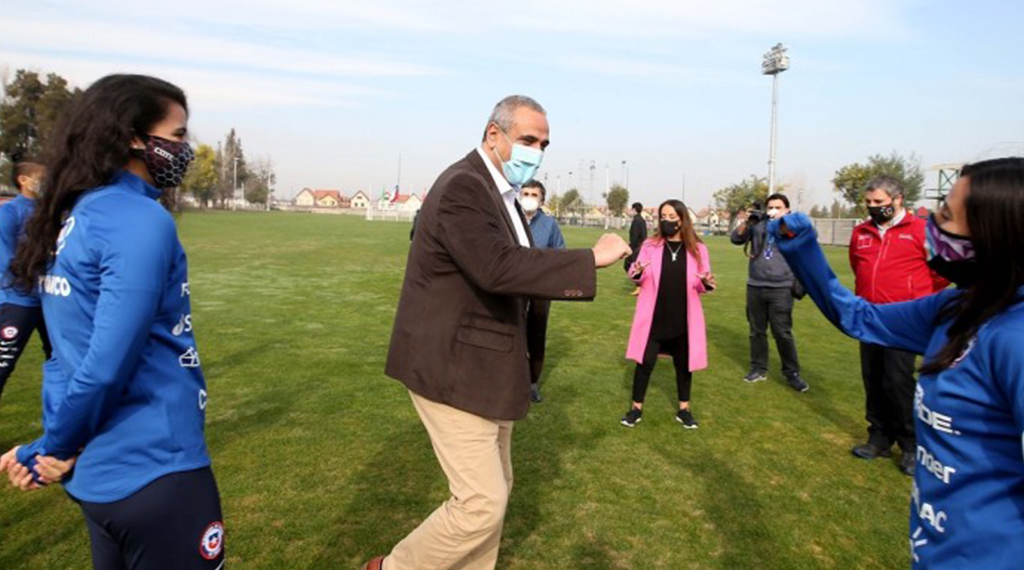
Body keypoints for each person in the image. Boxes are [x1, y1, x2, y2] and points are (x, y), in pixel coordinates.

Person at [363, 95, 630, 570]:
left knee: (495, 496)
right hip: (453, 368)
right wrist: (590, 259)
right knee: (480, 504)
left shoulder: (502, 194)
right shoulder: (465, 185)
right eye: (528, 139)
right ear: (493, 134)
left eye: (544, 144)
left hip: (487, 368)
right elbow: (497, 268)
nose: (537, 151)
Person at [0, 74, 225, 570]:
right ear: (133, 136)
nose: (187, 148)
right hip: (153, 467)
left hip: (101, 471)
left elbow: (65, 357)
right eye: (179, 133)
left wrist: (49, 445)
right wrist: (55, 447)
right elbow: (103, 365)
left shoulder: (75, 214)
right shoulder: (138, 220)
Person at [769, 157, 1024, 570]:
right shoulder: (957, 308)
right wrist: (802, 250)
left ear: (995, 233)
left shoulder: (1016, 337)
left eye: (945, 214)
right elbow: (859, 317)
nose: (933, 223)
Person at [848, 176, 948, 475]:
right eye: (869, 203)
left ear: (898, 199)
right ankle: (878, 437)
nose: (873, 208)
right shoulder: (861, 233)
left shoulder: (922, 230)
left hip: (905, 319)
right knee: (874, 378)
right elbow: (858, 266)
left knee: (898, 380)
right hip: (870, 317)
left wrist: (915, 298)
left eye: (879, 202)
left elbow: (940, 274)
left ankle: (910, 444)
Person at [621, 199, 715, 429]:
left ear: (683, 219)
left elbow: (704, 283)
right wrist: (637, 271)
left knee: (684, 366)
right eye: (663, 216)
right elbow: (637, 276)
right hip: (654, 317)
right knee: (644, 364)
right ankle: (636, 408)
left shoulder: (698, 249)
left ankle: (684, 410)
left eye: (672, 216)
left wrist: (707, 282)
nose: (667, 221)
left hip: (683, 318)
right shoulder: (650, 246)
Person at [730, 193, 808, 392]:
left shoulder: (794, 227)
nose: (773, 210)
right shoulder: (759, 225)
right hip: (756, 285)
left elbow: (805, 255)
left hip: (781, 287)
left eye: (778, 207)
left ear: (787, 209)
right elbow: (736, 239)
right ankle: (758, 368)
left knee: (782, 332)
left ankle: (792, 373)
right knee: (757, 331)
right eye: (770, 207)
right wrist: (749, 221)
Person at [0, 155, 52, 409]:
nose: (47, 183)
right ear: (23, 180)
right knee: (3, 365)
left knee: (62, 363)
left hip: (54, 301)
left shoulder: (53, 212)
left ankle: (66, 435)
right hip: (18, 302)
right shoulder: (10, 211)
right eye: (42, 178)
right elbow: (5, 258)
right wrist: (30, 281)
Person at [520, 178, 565, 403]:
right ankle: (510, 380)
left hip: (540, 289)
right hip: (513, 287)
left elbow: (560, 251)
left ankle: (532, 383)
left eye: (534, 195)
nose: (529, 198)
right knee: (511, 333)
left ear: (542, 200)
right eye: (525, 193)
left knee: (536, 334)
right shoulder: (510, 220)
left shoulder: (549, 224)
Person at [626, 201, 647, 296]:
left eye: (631, 209)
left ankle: (639, 286)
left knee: (628, 265)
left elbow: (634, 236)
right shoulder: (642, 220)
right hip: (641, 246)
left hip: (636, 247)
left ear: (634, 210)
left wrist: (630, 246)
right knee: (635, 266)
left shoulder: (636, 221)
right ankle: (639, 285)